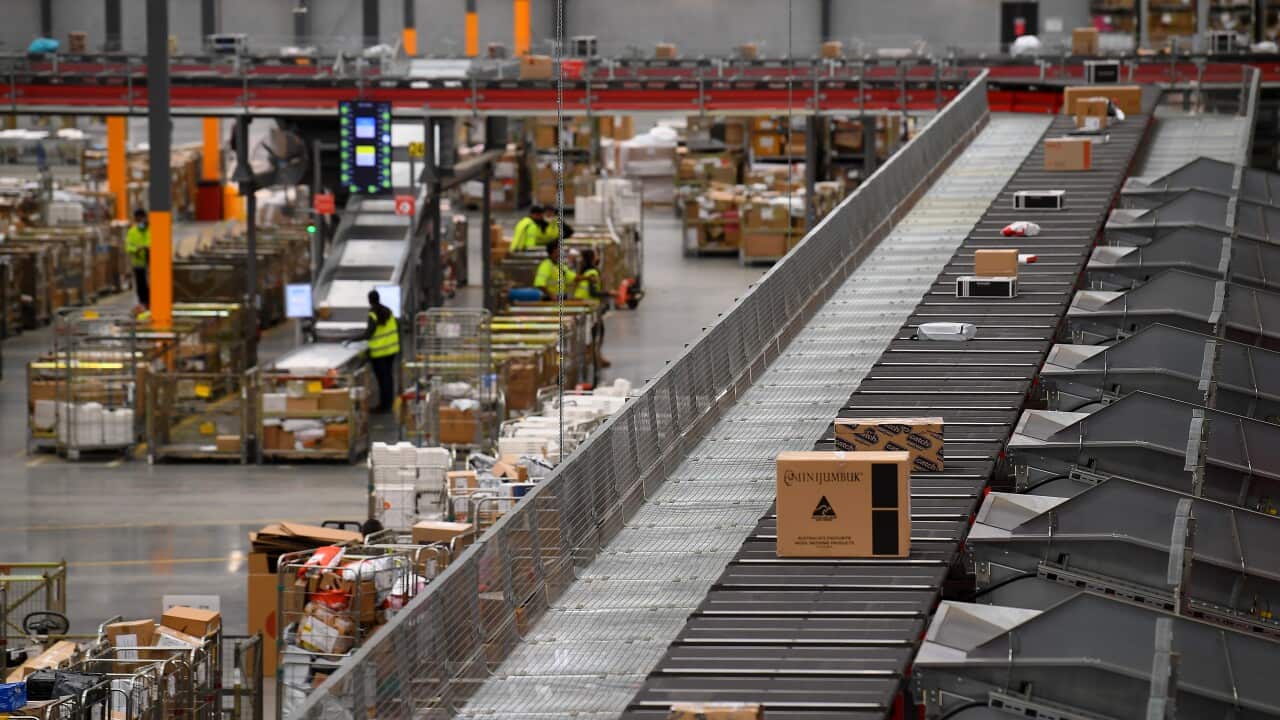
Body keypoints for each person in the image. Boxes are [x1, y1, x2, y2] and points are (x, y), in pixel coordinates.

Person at [358, 290, 400, 413]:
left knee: (382, 380)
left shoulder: (373, 314)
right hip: (391, 350)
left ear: (369, 300)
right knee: (388, 377)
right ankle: (389, 402)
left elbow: (369, 334)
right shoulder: (388, 311)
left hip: (379, 353)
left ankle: (383, 405)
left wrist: (352, 339)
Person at [574, 248, 611, 369]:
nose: (598, 257)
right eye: (596, 255)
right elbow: (593, 292)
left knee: (592, 333)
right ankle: (595, 357)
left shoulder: (586, 271)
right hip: (589, 308)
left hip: (585, 306)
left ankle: (595, 357)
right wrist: (609, 293)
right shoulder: (592, 273)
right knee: (596, 333)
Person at [125, 208, 151, 307]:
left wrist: (148, 247)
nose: (140, 221)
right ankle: (143, 303)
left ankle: (151, 302)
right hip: (138, 263)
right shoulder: (132, 231)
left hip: (151, 263)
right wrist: (136, 249)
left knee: (152, 284)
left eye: (142, 218)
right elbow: (128, 246)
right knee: (141, 285)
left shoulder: (151, 229)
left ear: (145, 218)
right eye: (138, 219)